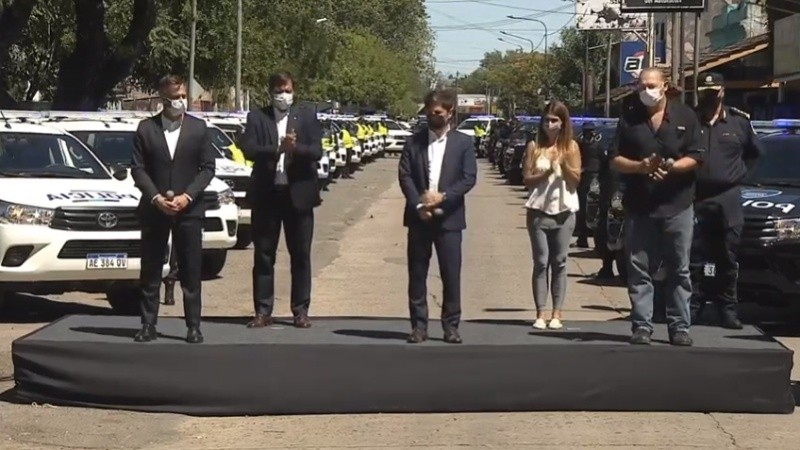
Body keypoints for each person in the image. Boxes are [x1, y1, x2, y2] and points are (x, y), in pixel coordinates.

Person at [609, 67, 704, 346]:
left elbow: (697, 156)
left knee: (679, 269)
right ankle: (642, 325)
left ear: (665, 86)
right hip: (640, 206)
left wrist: (672, 167)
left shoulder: (685, 116)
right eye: (642, 86)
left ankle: (679, 327)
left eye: (651, 85)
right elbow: (615, 159)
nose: (646, 91)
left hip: (678, 205)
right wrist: (640, 167)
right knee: (639, 269)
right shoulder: (629, 118)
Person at [130, 74, 216, 344]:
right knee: (151, 268)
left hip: (188, 209)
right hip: (155, 209)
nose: (181, 101)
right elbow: (138, 169)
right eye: (175, 97)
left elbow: (207, 168)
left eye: (183, 96)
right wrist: (155, 197)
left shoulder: (198, 128)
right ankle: (148, 324)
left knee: (191, 269)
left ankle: (193, 326)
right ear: (163, 99)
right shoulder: (146, 129)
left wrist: (188, 196)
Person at [239, 71, 323, 329]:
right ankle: (263, 310)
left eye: (287, 91)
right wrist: (277, 148)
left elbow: (317, 151)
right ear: (270, 93)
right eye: (278, 91)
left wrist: (295, 148)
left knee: (301, 255)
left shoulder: (306, 117)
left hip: (298, 196)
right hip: (268, 195)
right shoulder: (257, 117)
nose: (283, 96)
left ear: (294, 91)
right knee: (264, 255)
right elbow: (248, 148)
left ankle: (300, 310)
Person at [398, 88, 477, 344]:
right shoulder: (414, 142)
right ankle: (418, 326)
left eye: (438, 113)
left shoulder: (463, 143)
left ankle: (451, 326)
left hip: (449, 219)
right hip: (419, 219)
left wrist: (442, 197)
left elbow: (468, 178)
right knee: (417, 274)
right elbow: (405, 175)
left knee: (450, 274)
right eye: (430, 113)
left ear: (450, 113)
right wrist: (419, 204)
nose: (433, 117)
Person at [690, 72, 763, 329]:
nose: (709, 96)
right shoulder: (689, 121)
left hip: (727, 198)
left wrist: (739, 175)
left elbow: (755, 153)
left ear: (722, 91)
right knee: (693, 256)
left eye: (714, 92)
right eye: (705, 92)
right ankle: (693, 306)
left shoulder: (738, 122)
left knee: (727, 257)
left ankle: (727, 309)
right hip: (695, 196)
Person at [522, 101, 582, 330]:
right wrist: (546, 172)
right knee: (541, 262)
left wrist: (563, 165)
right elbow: (527, 179)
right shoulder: (534, 146)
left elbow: (575, 181)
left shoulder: (571, 147)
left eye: (554, 120)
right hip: (538, 211)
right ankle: (540, 312)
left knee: (559, 262)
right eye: (546, 120)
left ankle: (557, 313)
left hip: (564, 212)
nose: (550, 124)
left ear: (563, 123)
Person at [575, 122, 602, 248]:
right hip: (584, 181)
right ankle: (582, 238)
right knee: (582, 211)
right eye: (587, 132)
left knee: (595, 212)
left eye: (590, 132)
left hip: (595, 181)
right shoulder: (580, 145)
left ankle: (597, 242)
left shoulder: (599, 146)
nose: (589, 134)